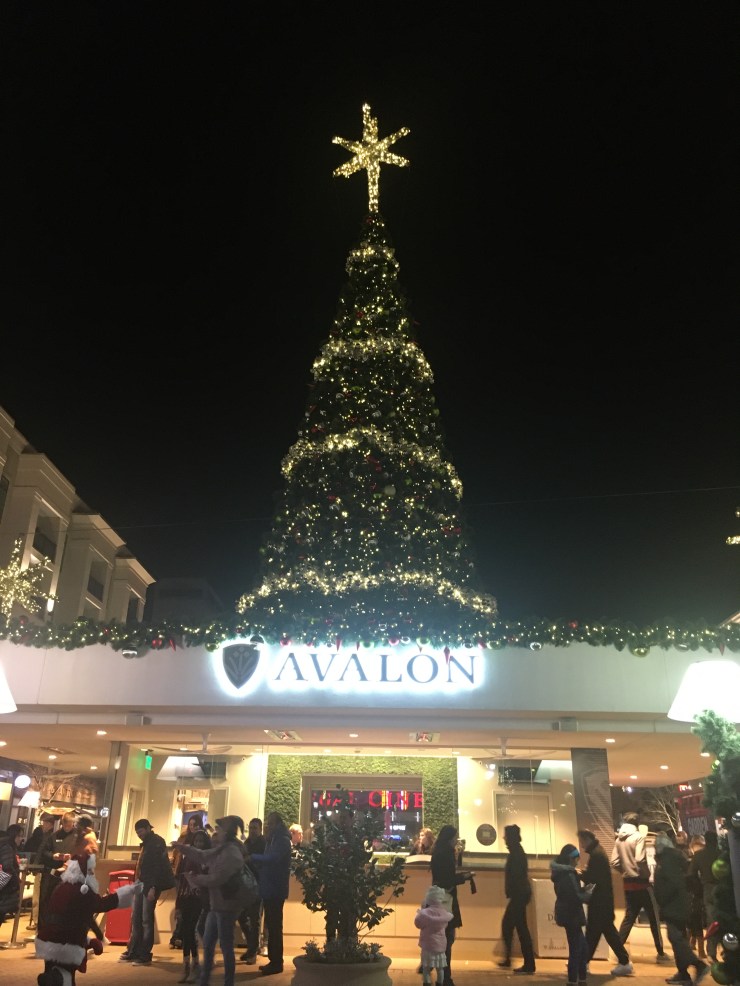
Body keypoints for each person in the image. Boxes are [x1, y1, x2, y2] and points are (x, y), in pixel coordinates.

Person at [35, 852, 141, 985]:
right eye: (90, 870)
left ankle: (50, 979)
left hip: (48, 939)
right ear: (83, 872)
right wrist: (127, 891)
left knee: (51, 969)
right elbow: (101, 905)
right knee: (66, 977)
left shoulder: (60, 887)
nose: (92, 874)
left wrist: (91, 940)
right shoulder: (82, 890)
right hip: (67, 942)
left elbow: (73, 917)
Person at [178, 814, 245, 986]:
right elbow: (203, 855)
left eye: (219, 829)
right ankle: (205, 980)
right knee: (209, 945)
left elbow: (217, 878)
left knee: (225, 947)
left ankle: (226, 982)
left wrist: (196, 879)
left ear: (226, 832)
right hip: (217, 905)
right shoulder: (224, 849)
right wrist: (183, 848)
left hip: (226, 907)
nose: (217, 832)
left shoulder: (231, 853)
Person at [611, 811, 670, 964]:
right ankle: (660, 952)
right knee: (654, 919)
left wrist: (625, 871)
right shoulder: (638, 837)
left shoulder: (619, 839)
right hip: (642, 883)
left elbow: (614, 862)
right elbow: (639, 859)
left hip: (627, 884)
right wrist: (645, 873)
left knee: (629, 918)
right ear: (637, 823)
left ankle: (618, 950)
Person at [653, 829, 710, 986]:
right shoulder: (673, 858)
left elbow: (672, 883)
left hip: (673, 906)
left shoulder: (667, 860)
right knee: (679, 938)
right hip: (677, 905)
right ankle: (683, 973)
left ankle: (698, 965)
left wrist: (662, 899)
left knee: (676, 937)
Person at [120, 818, 176, 966]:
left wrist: (153, 887)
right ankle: (134, 951)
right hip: (141, 882)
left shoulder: (156, 842)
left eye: (140, 831)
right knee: (136, 918)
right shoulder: (149, 842)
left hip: (150, 884)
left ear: (148, 828)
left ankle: (144, 954)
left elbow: (156, 867)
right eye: (137, 832)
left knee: (145, 919)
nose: (139, 834)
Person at [577, 829, 633, 976]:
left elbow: (594, 878)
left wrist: (581, 875)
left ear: (587, 839)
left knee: (594, 933)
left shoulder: (596, 855)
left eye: (582, 842)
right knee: (606, 932)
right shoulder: (598, 853)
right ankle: (623, 961)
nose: (582, 846)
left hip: (599, 901)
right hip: (604, 901)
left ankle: (584, 963)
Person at [247, 810, 292, 976]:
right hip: (271, 888)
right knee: (272, 926)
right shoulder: (273, 839)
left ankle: (276, 962)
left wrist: (254, 858)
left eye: (270, 823)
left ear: (278, 824)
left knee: (274, 927)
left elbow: (273, 859)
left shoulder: (281, 840)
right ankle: (274, 961)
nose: (268, 825)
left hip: (275, 888)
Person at [430, 824, 474, 986]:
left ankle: (436, 971)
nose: (456, 840)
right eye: (455, 837)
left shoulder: (437, 853)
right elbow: (448, 879)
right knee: (448, 938)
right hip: (446, 900)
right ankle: (445, 977)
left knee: (443, 937)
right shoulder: (447, 854)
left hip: (438, 898)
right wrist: (465, 877)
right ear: (449, 838)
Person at [550, 843, 593, 986]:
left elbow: (572, 893)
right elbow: (576, 896)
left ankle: (580, 979)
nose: (578, 861)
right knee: (577, 948)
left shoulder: (562, 873)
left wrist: (583, 890)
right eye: (576, 858)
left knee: (581, 947)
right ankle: (574, 980)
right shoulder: (569, 874)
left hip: (567, 913)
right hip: (572, 914)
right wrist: (588, 893)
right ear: (570, 858)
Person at [175, 826, 212, 983]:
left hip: (199, 898)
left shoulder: (207, 858)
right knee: (185, 931)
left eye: (201, 841)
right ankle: (190, 964)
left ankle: (191, 965)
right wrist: (178, 904)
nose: (198, 843)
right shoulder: (187, 858)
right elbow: (182, 880)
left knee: (191, 929)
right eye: (196, 840)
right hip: (186, 897)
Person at [497, 824, 535, 974]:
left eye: (506, 835)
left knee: (517, 927)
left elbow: (517, 876)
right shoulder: (517, 851)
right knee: (514, 926)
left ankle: (528, 964)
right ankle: (513, 959)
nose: (504, 837)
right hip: (520, 895)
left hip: (518, 895)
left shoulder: (516, 853)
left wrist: (512, 891)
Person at [171, 814, 206, 951]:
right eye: (191, 825)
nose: (193, 827)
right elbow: (176, 855)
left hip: (196, 885)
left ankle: (184, 939)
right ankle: (178, 937)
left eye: (195, 825)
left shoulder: (202, 840)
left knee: (194, 915)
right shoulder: (183, 838)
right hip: (182, 877)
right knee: (182, 908)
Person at [688, 829, 719, 961]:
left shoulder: (699, 855)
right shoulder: (722, 854)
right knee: (726, 919)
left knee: (711, 921)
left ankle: (711, 952)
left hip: (707, 888)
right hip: (723, 889)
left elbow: (690, 874)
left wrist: (698, 885)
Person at [238, 816, 266, 964]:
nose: (253, 831)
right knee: (241, 915)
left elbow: (265, 862)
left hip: (258, 884)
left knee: (254, 918)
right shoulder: (246, 843)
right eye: (251, 828)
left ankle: (253, 950)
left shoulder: (264, 843)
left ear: (260, 829)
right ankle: (252, 946)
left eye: (255, 828)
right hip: (245, 884)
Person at [415, 884, 454, 986]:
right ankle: (439, 983)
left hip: (427, 946)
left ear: (428, 898)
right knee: (440, 968)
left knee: (426, 968)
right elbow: (445, 926)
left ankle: (426, 983)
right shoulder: (444, 914)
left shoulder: (425, 913)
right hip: (440, 946)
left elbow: (417, 923)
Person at [24, 812, 57, 929]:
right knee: (38, 894)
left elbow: (41, 852)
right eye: (44, 822)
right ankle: (37, 920)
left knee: (39, 895)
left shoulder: (49, 837)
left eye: (46, 823)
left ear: (51, 825)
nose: (44, 825)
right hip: (42, 868)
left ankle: (38, 921)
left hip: (44, 868)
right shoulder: (43, 836)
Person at [686, 835, 706, 959]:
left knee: (694, 920)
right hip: (696, 894)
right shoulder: (693, 861)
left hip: (694, 894)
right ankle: (700, 949)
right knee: (696, 920)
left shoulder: (690, 861)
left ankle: (693, 945)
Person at [0, 822, 24, 926]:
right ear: (13, 835)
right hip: (5, 889)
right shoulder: (8, 847)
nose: (20, 839)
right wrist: (16, 880)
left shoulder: (5, 845)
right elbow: (7, 867)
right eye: (19, 836)